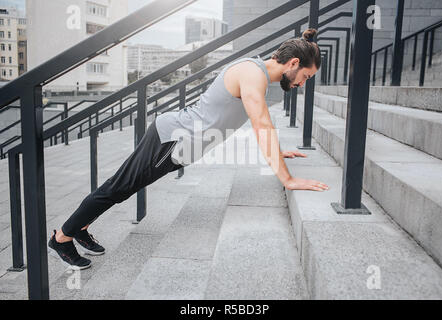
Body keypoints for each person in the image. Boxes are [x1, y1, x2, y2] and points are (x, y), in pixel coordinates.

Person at [48, 28, 329, 270]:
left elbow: (253, 121)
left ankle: (81, 228)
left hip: (176, 142)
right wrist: (288, 179)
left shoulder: (255, 73)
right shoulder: (251, 74)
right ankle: (62, 238)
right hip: (171, 140)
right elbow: (262, 125)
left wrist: (279, 154)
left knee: (121, 189)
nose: (302, 83)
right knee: (116, 189)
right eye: (305, 76)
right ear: (293, 63)